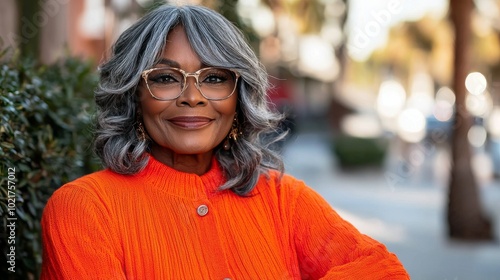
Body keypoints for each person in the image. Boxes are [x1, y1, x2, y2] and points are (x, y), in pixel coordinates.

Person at [41, 4, 409, 279]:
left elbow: (384, 271)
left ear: (239, 97)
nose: (192, 96)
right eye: (166, 77)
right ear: (133, 94)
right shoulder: (84, 210)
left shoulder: (281, 198)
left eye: (215, 78)